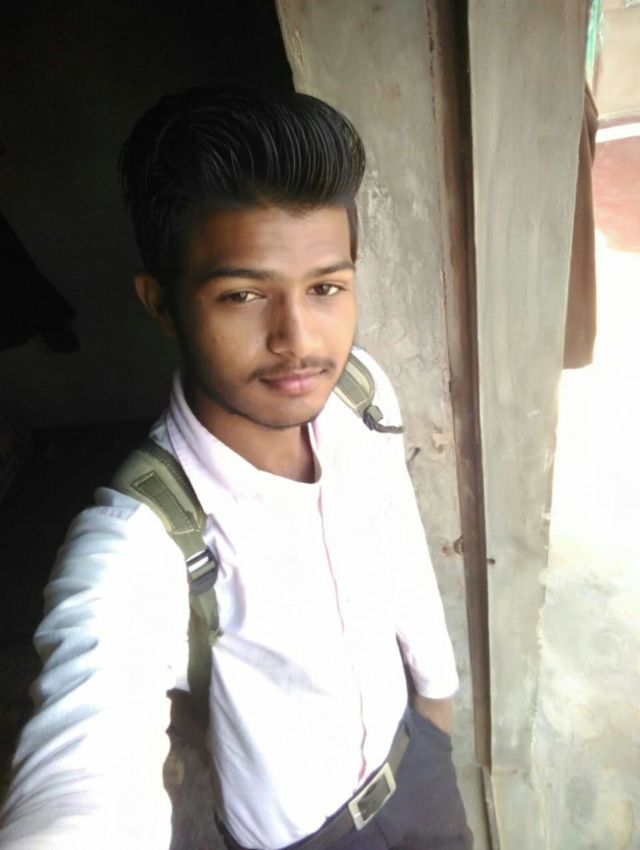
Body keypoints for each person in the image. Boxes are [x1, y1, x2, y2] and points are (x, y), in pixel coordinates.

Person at [0, 87, 472, 850]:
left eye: (326, 288)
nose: (298, 338)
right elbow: (84, 771)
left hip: (418, 765)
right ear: (161, 304)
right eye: (244, 295)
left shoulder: (359, 395)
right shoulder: (139, 545)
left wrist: (438, 704)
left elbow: (400, 549)